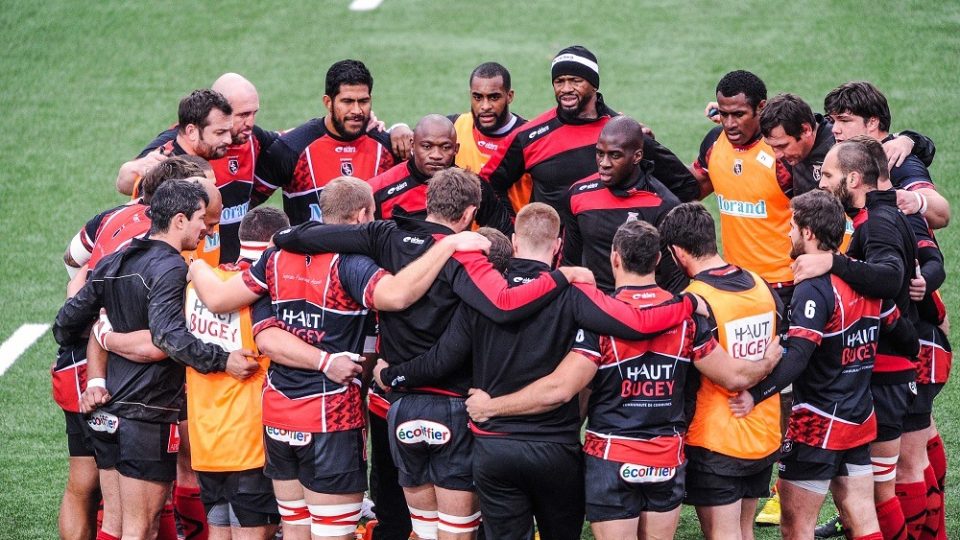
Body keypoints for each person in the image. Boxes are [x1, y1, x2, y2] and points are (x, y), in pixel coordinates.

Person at [272, 169, 700, 540]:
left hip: (407, 411)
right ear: (469, 216)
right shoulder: (471, 263)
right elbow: (508, 307)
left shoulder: (383, 233)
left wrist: (283, 236)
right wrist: (681, 305)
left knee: (422, 528)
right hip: (471, 418)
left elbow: (307, 233)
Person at [423, 219, 778, 540]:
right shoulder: (687, 318)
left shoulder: (599, 320)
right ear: (658, 261)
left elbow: (560, 390)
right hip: (665, 456)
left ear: (615, 260)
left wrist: (492, 407)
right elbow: (734, 375)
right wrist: (772, 358)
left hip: (612, 455)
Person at [188, 176, 491, 540]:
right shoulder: (353, 263)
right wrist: (448, 246)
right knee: (333, 533)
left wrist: (195, 265)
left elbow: (222, 302)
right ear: (363, 214)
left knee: (296, 529)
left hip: (277, 413)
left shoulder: (275, 256)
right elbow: (396, 296)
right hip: (330, 414)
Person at [53, 180, 261, 539]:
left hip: (108, 410)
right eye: (201, 220)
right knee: (141, 528)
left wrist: (106, 335)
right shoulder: (171, 269)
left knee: (115, 524)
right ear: (179, 220)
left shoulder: (118, 258)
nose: (207, 230)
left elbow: (65, 322)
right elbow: (168, 337)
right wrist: (223, 359)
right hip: (145, 413)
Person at [730, 190, 918, 540]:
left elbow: (797, 357)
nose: (787, 233)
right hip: (859, 417)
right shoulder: (865, 277)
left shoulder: (813, 288)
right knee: (861, 517)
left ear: (809, 233)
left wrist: (756, 394)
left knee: (796, 526)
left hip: (818, 425)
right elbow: (908, 339)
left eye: (792, 226)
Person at [795, 137, 920, 540]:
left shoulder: (878, 222)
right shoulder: (883, 214)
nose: (822, 182)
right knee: (866, 499)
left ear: (852, 178)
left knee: (879, 495)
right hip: (882, 373)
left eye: (828, 175)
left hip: (877, 377)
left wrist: (832, 260)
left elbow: (888, 279)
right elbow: (922, 267)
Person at [657, 202, 783, 539]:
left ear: (677, 252)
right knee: (744, 531)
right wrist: (768, 362)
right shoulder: (760, 285)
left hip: (716, 441)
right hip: (762, 434)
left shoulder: (694, 302)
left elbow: (730, 375)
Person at [481, 45, 699, 222]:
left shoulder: (624, 135)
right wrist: (510, 229)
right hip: (554, 266)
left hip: (614, 261)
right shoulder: (530, 136)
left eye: (575, 81)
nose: (565, 89)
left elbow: (685, 187)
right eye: (559, 81)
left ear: (593, 85)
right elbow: (487, 183)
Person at [182, 206, 291, 540]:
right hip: (250, 442)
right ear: (277, 242)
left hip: (207, 443)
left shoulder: (199, 288)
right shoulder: (267, 291)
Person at [117, 74, 280, 264]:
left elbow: (287, 141)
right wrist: (132, 168)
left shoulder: (248, 137)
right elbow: (128, 183)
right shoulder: (169, 159)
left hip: (222, 270)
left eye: (254, 113)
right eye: (243, 115)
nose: (250, 122)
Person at [253, 60, 399, 225]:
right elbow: (245, 202)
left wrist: (401, 128)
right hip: (309, 251)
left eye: (363, 101)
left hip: (371, 251)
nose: (357, 111)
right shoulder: (293, 148)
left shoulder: (389, 149)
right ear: (328, 102)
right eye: (347, 101)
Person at [758, 91, 940, 222]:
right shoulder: (790, 151)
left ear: (806, 130)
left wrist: (909, 140)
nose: (777, 155)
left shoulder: (842, 142)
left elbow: (884, 145)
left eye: (782, 146)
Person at [562, 115, 686, 293]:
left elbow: (675, 278)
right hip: (595, 305)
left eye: (615, 155)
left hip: (642, 308)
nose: (604, 164)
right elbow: (569, 261)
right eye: (600, 153)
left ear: (637, 156)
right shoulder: (578, 195)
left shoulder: (664, 205)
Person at [824, 81, 948, 229]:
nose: (835, 129)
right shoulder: (849, 157)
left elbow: (942, 213)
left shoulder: (896, 159)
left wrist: (917, 201)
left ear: (872, 122)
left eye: (844, 120)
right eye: (832, 121)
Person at [369, 114, 513, 234]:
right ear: (413, 144)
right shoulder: (379, 190)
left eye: (445, 147)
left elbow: (504, 236)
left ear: (456, 149)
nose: (436, 155)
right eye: (427, 146)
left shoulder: (475, 187)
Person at [449, 62, 532, 212]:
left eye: (494, 97)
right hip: (464, 234)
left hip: (510, 234)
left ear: (510, 96)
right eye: (478, 97)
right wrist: (399, 128)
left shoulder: (532, 137)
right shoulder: (454, 127)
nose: (485, 106)